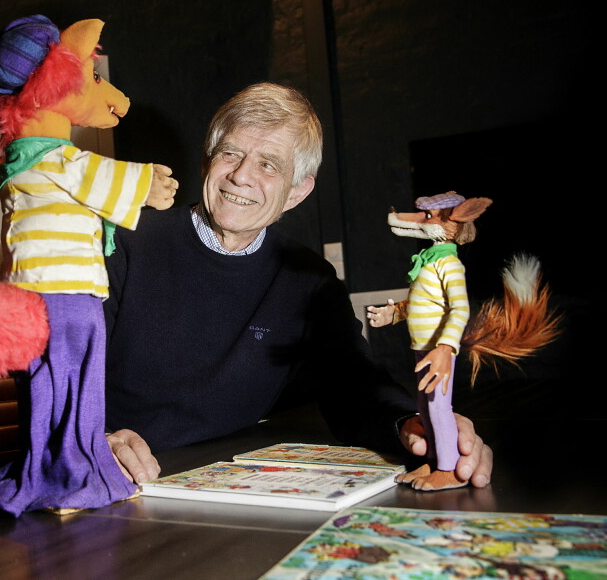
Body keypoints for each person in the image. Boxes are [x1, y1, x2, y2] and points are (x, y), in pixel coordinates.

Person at [101, 82, 493, 489]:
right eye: (230, 153)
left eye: (269, 165)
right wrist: (91, 438)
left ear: (297, 191)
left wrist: (413, 423)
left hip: (230, 485)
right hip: (117, 477)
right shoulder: (121, 242)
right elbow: (65, 367)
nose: (241, 176)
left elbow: (354, 383)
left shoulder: (310, 279)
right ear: (206, 162)